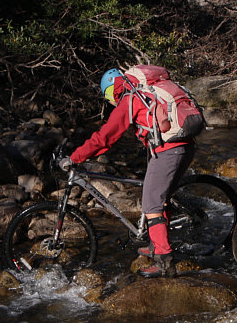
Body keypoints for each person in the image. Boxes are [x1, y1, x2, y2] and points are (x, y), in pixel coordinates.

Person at [58, 68, 196, 277]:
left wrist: (75, 157)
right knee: (161, 197)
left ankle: (164, 261)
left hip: (169, 149)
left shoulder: (130, 100)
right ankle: (155, 243)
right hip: (182, 145)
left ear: (113, 89)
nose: (109, 100)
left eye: (107, 95)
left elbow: (104, 138)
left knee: (151, 204)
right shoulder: (146, 91)